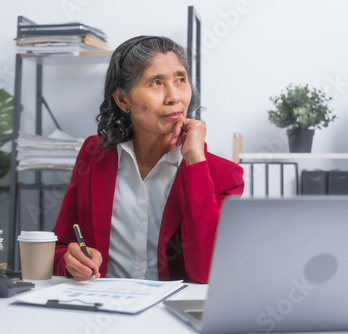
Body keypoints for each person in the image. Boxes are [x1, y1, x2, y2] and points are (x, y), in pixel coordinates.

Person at [52, 36, 244, 283]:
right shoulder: (94, 154)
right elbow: (60, 247)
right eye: (156, 83)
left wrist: (195, 161)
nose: (174, 97)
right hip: (103, 307)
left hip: (171, 315)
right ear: (123, 100)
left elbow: (207, 272)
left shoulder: (224, 175)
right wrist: (71, 261)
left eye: (180, 80)